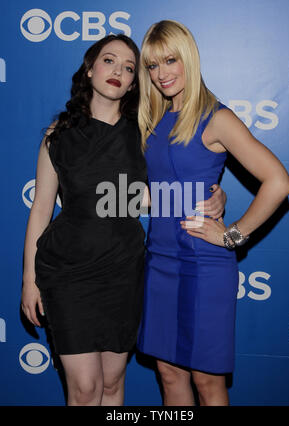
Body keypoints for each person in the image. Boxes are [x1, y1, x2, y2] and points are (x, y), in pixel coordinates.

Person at [21, 33, 226, 406]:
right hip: (67, 272)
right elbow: (40, 209)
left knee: (113, 384)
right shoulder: (58, 136)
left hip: (124, 271)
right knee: (84, 390)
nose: (118, 71)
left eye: (129, 67)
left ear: (135, 82)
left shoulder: (146, 134)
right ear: (89, 70)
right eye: (109, 60)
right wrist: (29, 280)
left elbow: (161, 192)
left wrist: (212, 194)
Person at [137, 20, 289, 406]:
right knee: (170, 374)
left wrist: (232, 236)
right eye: (153, 66)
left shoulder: (215, 117)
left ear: (188, 58)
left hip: (204, 265)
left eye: (170, 60)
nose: (161, 74)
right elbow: (148, 198)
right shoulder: (153, 120)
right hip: (159, 262)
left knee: (208, 383)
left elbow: (279, 182)